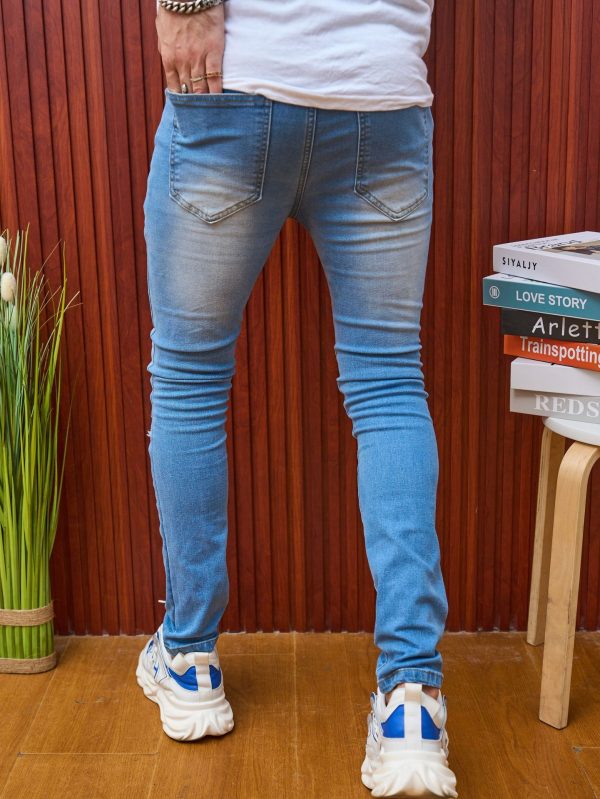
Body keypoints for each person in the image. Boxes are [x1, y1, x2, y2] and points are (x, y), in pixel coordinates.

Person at [135, 0, 458, 796]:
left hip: (237, 81)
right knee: (389, 383)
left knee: (189, 381)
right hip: (382, 92)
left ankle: (190, 658)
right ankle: (412, 704)